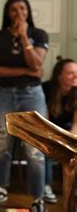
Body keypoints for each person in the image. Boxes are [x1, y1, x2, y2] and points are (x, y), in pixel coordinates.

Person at [0, 0, 49, 212]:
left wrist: (23, 37)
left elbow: (38, 64)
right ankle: (1, 189)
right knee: (1, 144)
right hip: (5, 95)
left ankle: (37, 197)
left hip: (32, 95)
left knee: (35, 149)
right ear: (7, 13)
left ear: (28, 11)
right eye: (13, 9)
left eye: (23, 8)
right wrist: (25, 71)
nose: (19, 12)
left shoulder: (38, 34)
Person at [41, 57, 77, 203]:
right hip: (48, 128)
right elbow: (44, 122)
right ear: (59, 75)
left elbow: (76, 123)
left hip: (68, 129)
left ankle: (74, 188)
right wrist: (55, 139)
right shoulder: (45, 89)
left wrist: (71, 140)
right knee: (47, 146)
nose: (76, 77)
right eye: (71, 73)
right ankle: (46, 186)